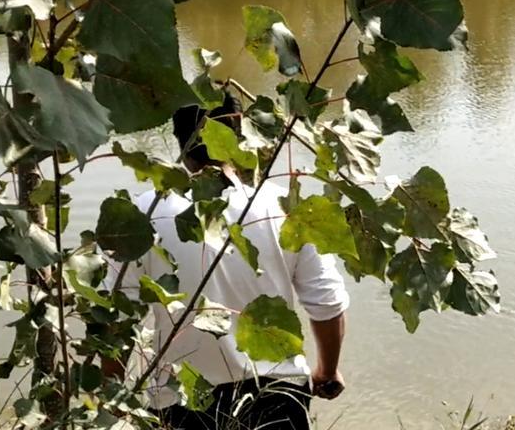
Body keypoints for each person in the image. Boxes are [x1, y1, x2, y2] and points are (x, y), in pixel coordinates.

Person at [103, 95, 350, 429]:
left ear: (180, 144)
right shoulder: (284, 206)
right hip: (277, 397)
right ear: (239, 135)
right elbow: (326, 301)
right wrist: (327, 369)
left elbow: (114, 320)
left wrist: (111, 400)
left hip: (185, 403)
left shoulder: (142, 215)